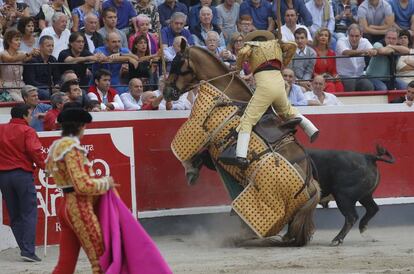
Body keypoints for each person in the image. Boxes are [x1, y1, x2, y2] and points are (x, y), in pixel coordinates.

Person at [221, 30, 319, 168]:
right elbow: (292, 46)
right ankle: (311, 129)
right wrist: (284, 61)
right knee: (287, 110)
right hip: (279, 84)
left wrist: (237, 69)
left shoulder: (252, 46)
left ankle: (240, 155)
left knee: (248, 119)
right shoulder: (275, 45)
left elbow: (242, 53)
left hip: (265, 87)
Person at [46, 105, 116, 273]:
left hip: (64, 207)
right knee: (101, 261)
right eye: (85, 126)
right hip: (79, 208)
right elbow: (82, 185)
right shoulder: (72, 148)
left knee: (65, 265)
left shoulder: (57, 147)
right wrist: (105, 182)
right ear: (79, 126)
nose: (85, 129)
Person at [0, 104, 45, 262]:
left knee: (15, 214)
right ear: (25, 116)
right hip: (22, 174)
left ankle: (25, 248)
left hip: (3, 176)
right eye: (30, 114)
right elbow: (35, 151)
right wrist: (45, 167)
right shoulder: (28, 131)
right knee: (29, 212)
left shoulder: (1, 128)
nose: (32, 117)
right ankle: (28, 250)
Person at [335, 24, 376, 91]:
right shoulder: (341, 41)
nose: (354, 39)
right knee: (351, 83)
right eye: (352, 36)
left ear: (361, 35)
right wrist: (364, 51)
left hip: (359, 75)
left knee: (369, 86)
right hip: (344, 75)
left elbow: (372, 50)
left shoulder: (364, 41)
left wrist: (373, 52)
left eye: (357, 36)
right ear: (348, 34)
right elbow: (346, 52)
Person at [23, 35, 60, 99]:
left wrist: (57, 85)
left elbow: (57, 78)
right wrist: (49, 88)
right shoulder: (32, 60)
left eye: (52, 46)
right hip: (34, 88)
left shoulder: (53, 60)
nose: (51, 48)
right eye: (48, 46)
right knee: (46, 94)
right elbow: (30, 81)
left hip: (49, 89)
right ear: (41, 47)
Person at [313, 27, 344, 93]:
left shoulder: (332, 53)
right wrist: (321, 77)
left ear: (328, 39)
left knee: (339, 84)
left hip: (329, 78)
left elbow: (334, 71)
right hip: (316, 79)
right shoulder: (312, 52)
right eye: (321, 35)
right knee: (330, 86)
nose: (323, 37)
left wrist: (335, 76)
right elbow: (311, 71)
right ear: (317, 38)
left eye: (326, 36)